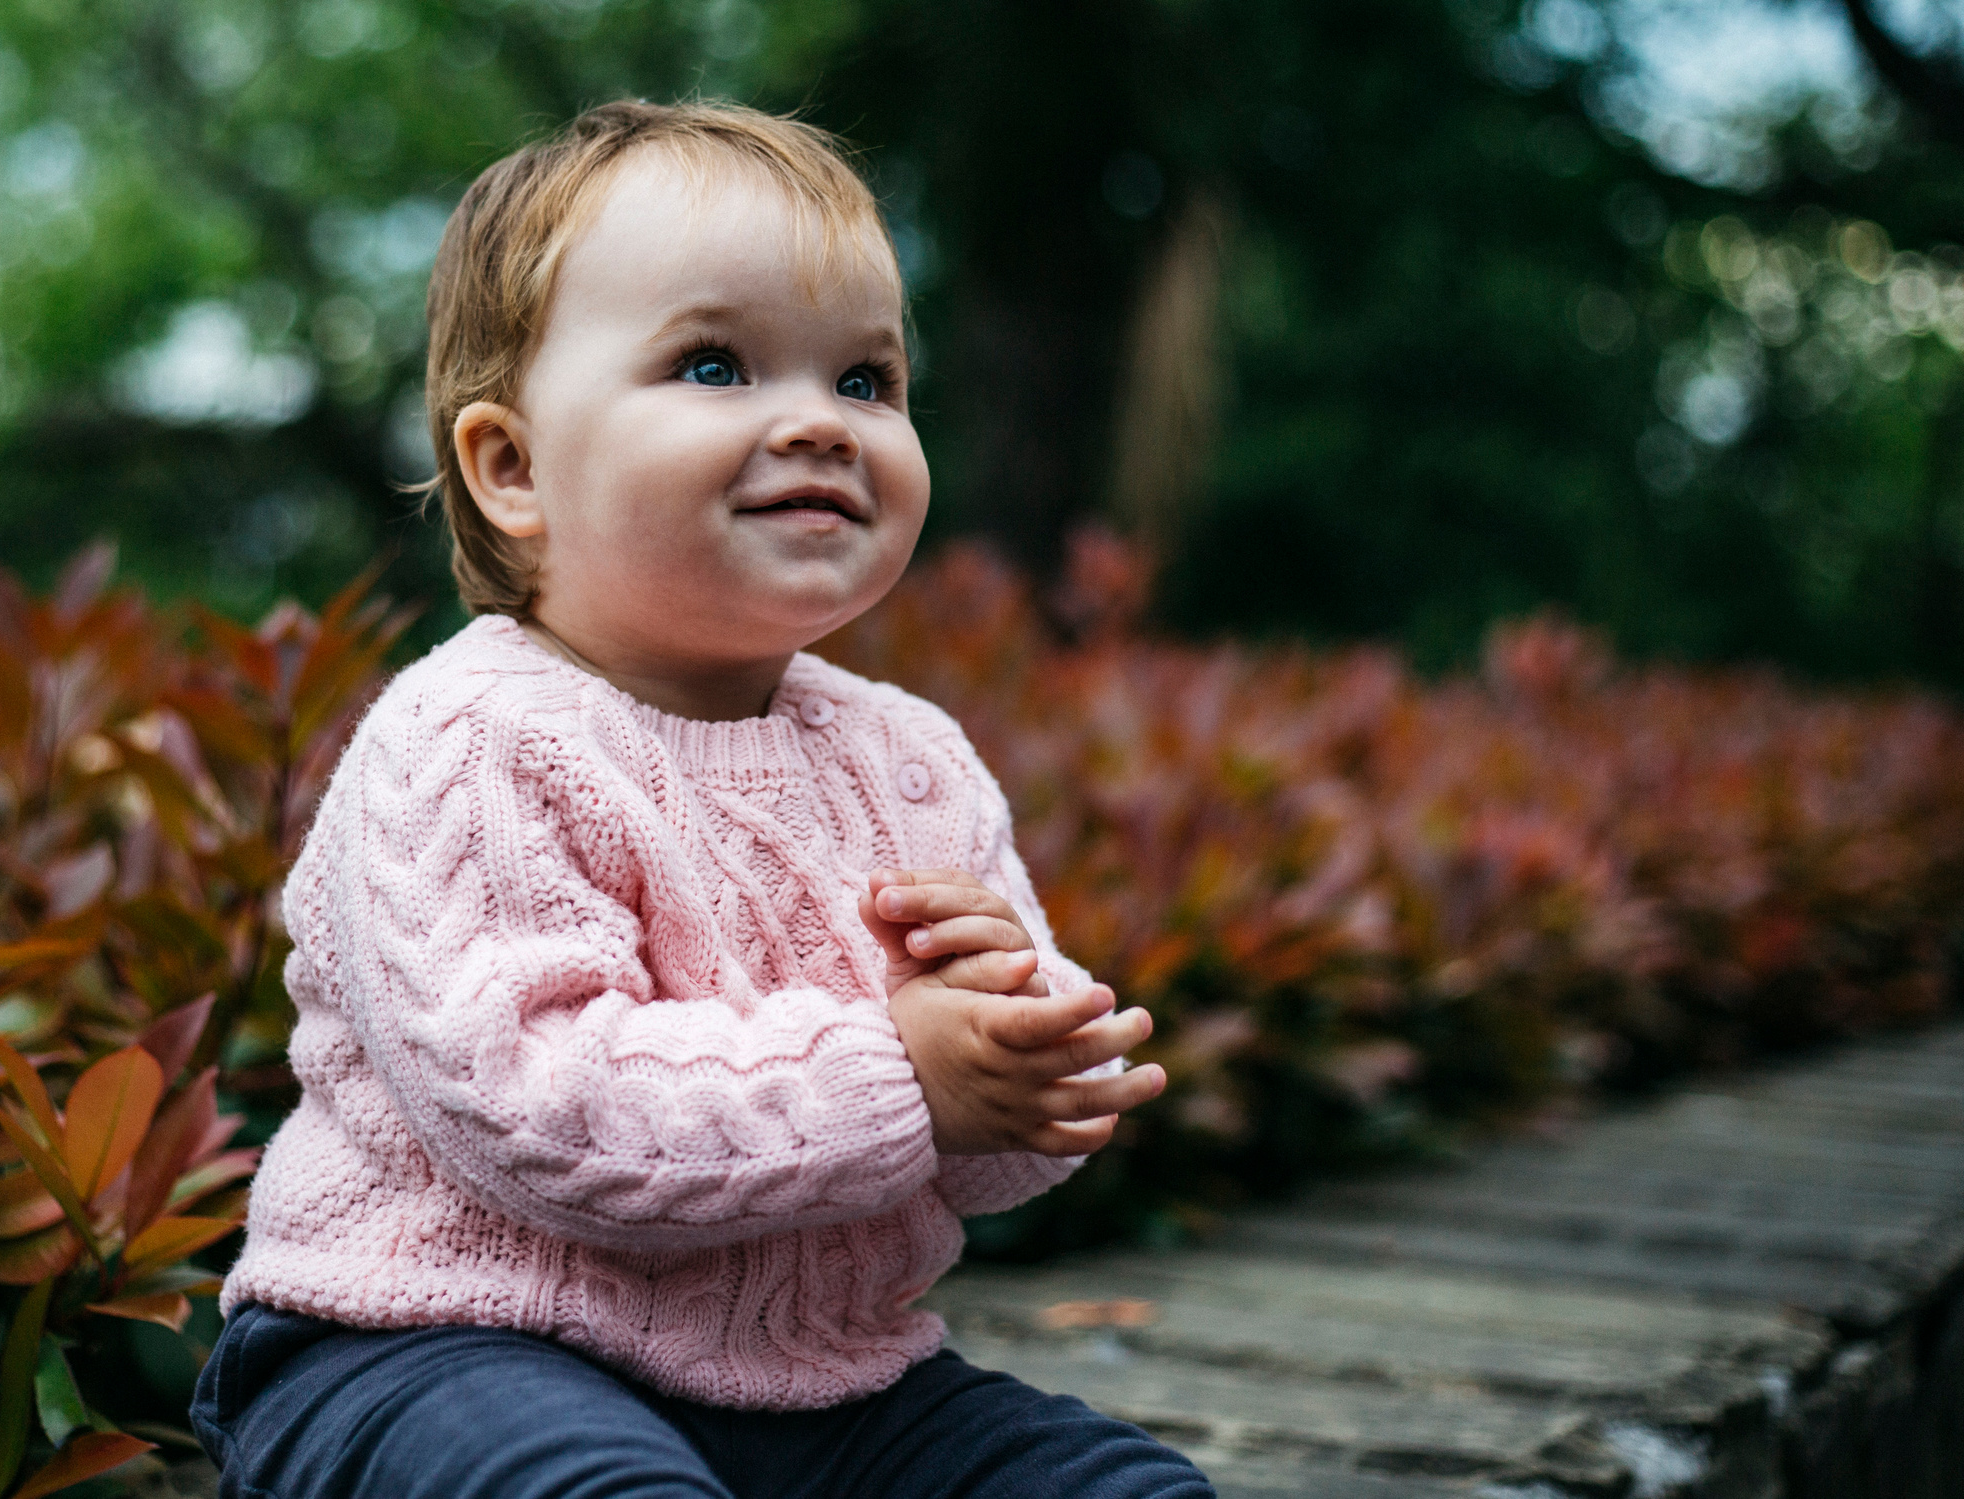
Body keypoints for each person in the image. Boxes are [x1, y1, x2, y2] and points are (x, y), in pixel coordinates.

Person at [193, 100, 1206, 1499]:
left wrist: (1020, 1072)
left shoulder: (908, 757)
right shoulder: (469, 741)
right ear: (514, 469)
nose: (820, 425)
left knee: (1121, 1493)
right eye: (716, 364)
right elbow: (545, 1111)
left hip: (822, 1382)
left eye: (866, 380)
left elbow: (959, 1166)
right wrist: (904, 1071)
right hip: (433, 1349)